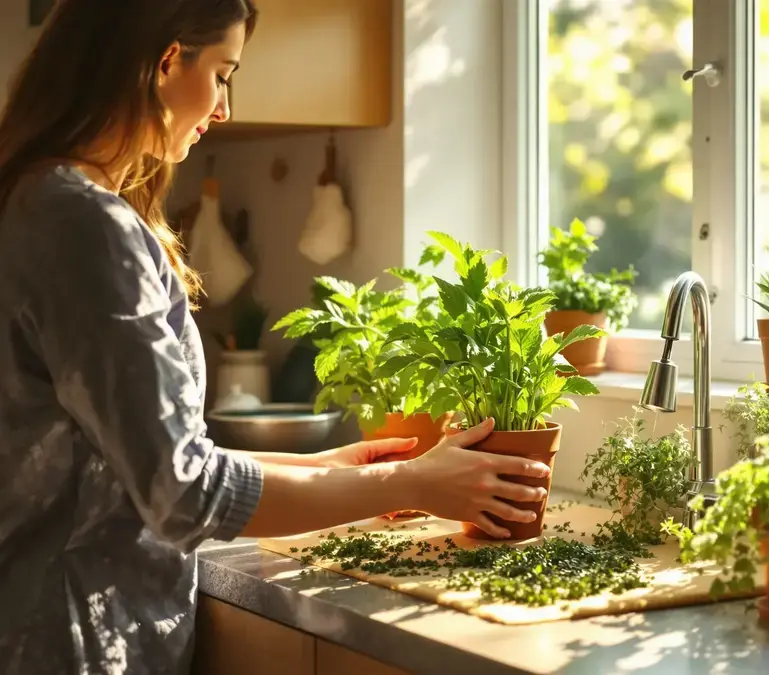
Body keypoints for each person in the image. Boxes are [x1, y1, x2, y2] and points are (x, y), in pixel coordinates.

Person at [0, 2, 550, 673]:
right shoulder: (84, 225)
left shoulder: (36, 202)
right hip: (71, 640)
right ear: (166, 61)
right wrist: (409, 483)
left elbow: (125, 462)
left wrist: (330, 470)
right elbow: (185, 493)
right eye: (222, 73)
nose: (224, 107)